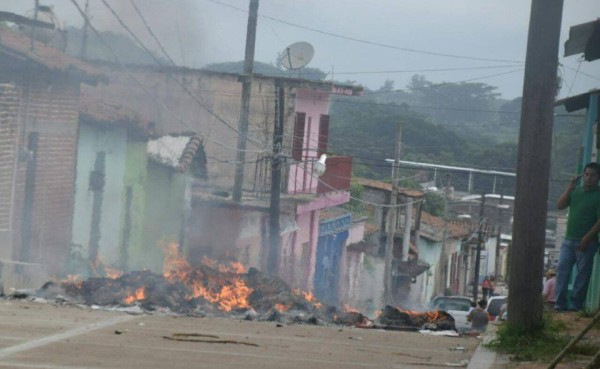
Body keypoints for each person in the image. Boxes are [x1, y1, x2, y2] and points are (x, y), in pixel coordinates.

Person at [554, 162, 600, 312]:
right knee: (562, 270)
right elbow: (560, 205)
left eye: (592, 175)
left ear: (598, 177)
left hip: (587, 242)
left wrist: (587, 238)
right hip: (568, 240)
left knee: (582, 275)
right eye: (586, 174)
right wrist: (570, 187)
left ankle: (575, 306)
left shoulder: (598, 195)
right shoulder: (576, 191)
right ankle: (559, 304)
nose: (589, 178)